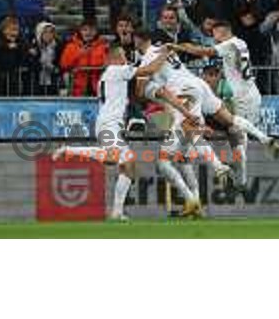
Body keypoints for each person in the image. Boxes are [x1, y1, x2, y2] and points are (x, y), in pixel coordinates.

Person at [54, 45, 201, 220]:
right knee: (115, 158)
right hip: (108, 124)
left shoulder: (111, 75)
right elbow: (150, 69)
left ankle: (117, 212)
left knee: (128, 167)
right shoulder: (117, 70)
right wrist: (164, 54)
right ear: (114, 59)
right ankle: (68, 150)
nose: (126, 60)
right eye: (123, 56)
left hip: (110, 124)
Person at [172, 20, 279, 190]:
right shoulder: (241, 43)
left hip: (243, 96)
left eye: (214, 34)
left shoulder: (229, 44)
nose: (214, 38)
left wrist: (180, 47)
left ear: (222, 32)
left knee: (238, 134)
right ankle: (252, 157)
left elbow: (205, 51)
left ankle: (245, 175)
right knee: (235, 132)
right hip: (252, 91)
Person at [59, 20, 108, 97]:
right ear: (80, 31)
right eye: (85, 30)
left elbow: (107, 64)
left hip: (98, 89)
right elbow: (64, 65)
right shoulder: (70, 46)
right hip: (77, 90)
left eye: (91, 30)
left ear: (96, 32)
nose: (88, 33)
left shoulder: (104, 46)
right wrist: (79, 54)